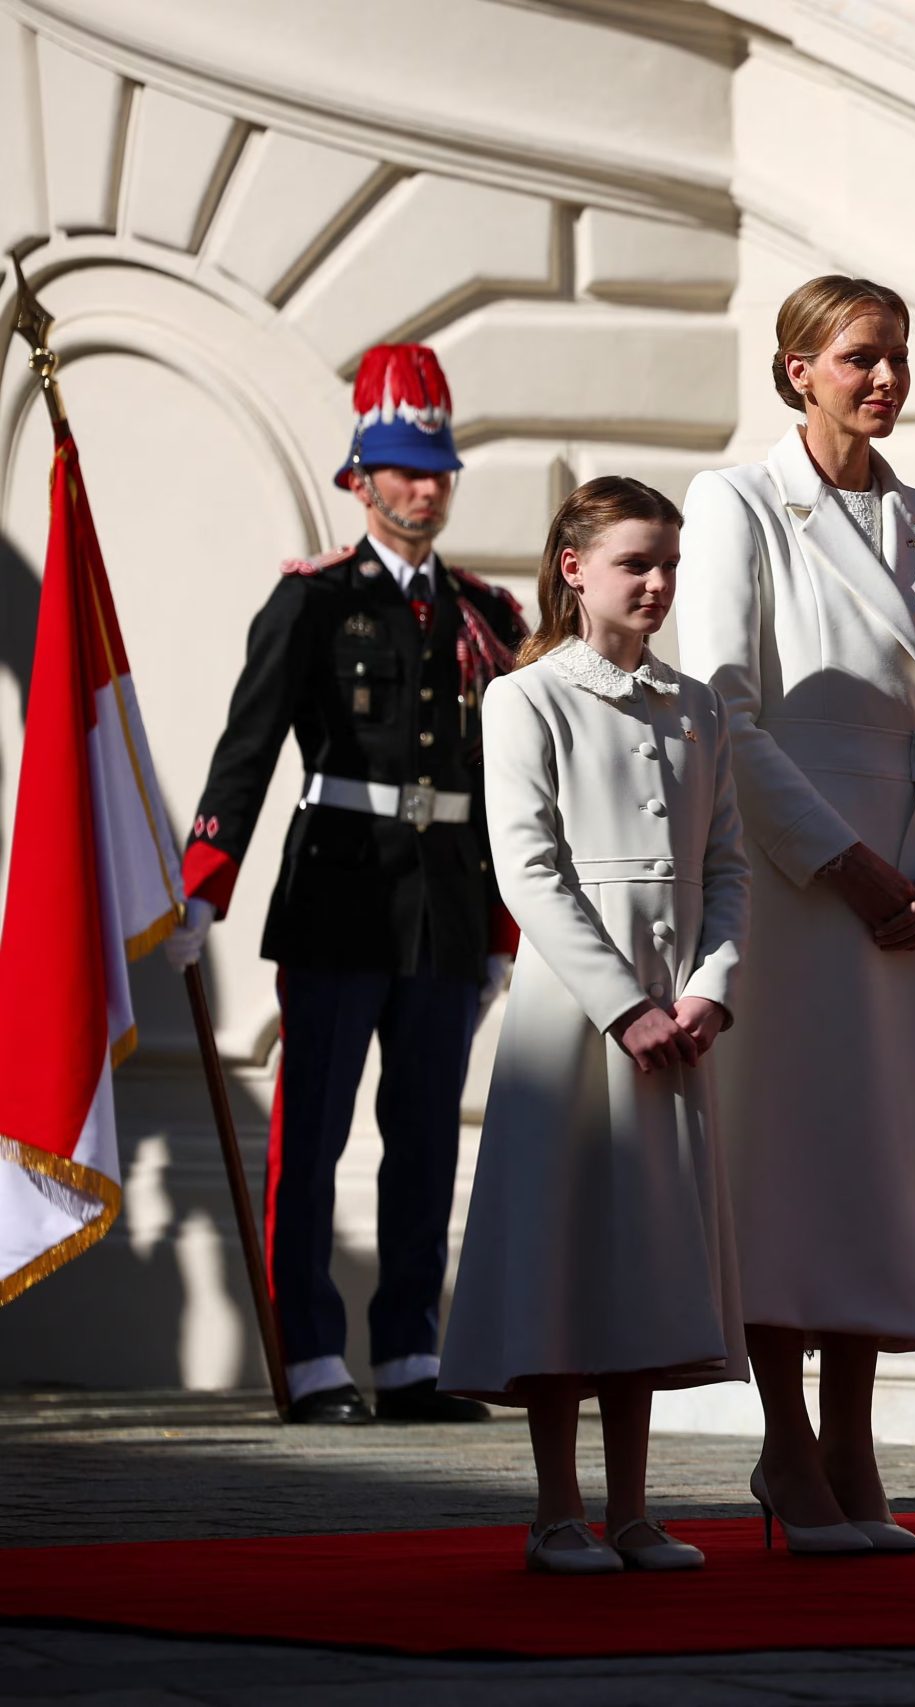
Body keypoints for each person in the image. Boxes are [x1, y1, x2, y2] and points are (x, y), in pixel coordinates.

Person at [676, 276, 915, 1557]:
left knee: (881, 1161)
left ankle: (856, 1438)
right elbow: (723, 707)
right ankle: (785, 1443)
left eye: (899, 357)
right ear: (797, 368)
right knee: (789, 1154)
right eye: (861, 357)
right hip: (803, 875)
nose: (886, 379)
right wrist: (844, 862)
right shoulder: (740, 501)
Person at [164, 344, 525, 1425]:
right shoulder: (315, 600)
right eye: (406, 467)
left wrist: (502, 924)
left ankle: (410, 1353)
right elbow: (250, 748)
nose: (426, 487)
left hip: (446, 910)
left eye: (439, 468)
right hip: (337, 896)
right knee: (313, 1136)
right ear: (359, 476)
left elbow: (502, 782)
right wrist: (204, 884)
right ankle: (311, 1354)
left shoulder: (485, 615)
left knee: (423, 1134)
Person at [439, 477, 749, 1574]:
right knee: (564, 1251)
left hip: (678, 1013)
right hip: (575, 1021)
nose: (658, 583)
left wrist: (709, 984)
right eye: (635, 562)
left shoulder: (697, 704)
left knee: (647, 1258)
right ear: (573, 569)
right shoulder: (527, 699)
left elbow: (725, 867)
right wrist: (624, 1007)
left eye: (668, 562)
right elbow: (529, 871)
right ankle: (557, 1509)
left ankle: (633, 1508)